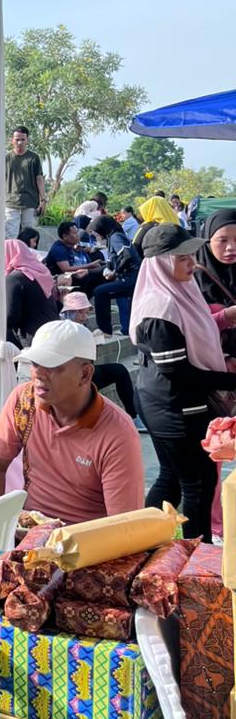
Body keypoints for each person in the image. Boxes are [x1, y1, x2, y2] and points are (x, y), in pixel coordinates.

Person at [130, 223, 236, 539]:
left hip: (172, 399)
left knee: (174, 478)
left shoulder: (180, 291)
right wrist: (231, 380)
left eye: (191, 255)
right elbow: (178, 372)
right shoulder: (160, 306)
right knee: (198, 484)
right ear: (161, 263)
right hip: (173, 405)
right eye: (181, 258)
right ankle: (196, 553)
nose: (191, 263)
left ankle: (146, 542)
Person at [0, 320, 144, 522]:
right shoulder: (24, 400)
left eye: (52, 367)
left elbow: (122, 525)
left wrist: (60, 538)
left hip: (85, 539)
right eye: (34, 364)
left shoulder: (118, 434)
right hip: (26, 530)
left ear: (84, 374)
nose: (38, 374)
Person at [60, 291, 137, 417]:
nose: (84, 316)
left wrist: (94, 339)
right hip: (74, 375)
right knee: (116, 372)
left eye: (86, 312)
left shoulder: (79, 325)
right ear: (69, 311)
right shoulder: (64, 327)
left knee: (120, 371)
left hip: (86, 370)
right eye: (80, 312)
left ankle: (133, 415)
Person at [87, 213, 140, 336]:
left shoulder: (116, 237)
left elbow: (127, 255)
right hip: (130, 277)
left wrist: (115, 272)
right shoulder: (114, 237)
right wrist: (89, 271)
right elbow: (113, 261)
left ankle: (105, 330)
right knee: (102, 292)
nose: (96, 235)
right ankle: (108, 329)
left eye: (96, 232)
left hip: (130, 278)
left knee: (100, 292)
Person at [4, 238, 59, 347]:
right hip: (53, 329)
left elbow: (10, 316)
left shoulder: (14, 278)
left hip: (34, 336)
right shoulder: (40, 271)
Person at [45, 220, 105, 296]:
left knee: (99, 274)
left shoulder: (71, 246)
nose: (77, 236)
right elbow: (66, 269)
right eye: (75, 233)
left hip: (73, 276)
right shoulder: (59, 249)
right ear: (65, 236)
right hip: (61, 281)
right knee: (87, 277)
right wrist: (91, 265)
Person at [5, 125, 46, 236]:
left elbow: (39, 178)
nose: (20, 142)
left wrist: (43, 200)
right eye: (17, 139)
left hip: (30, 202)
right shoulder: (6, 158)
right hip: (10, 201)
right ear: (12, 140)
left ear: (27, 140)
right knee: (10, 234)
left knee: (29, 235)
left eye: (22, 139)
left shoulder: (34, 158)